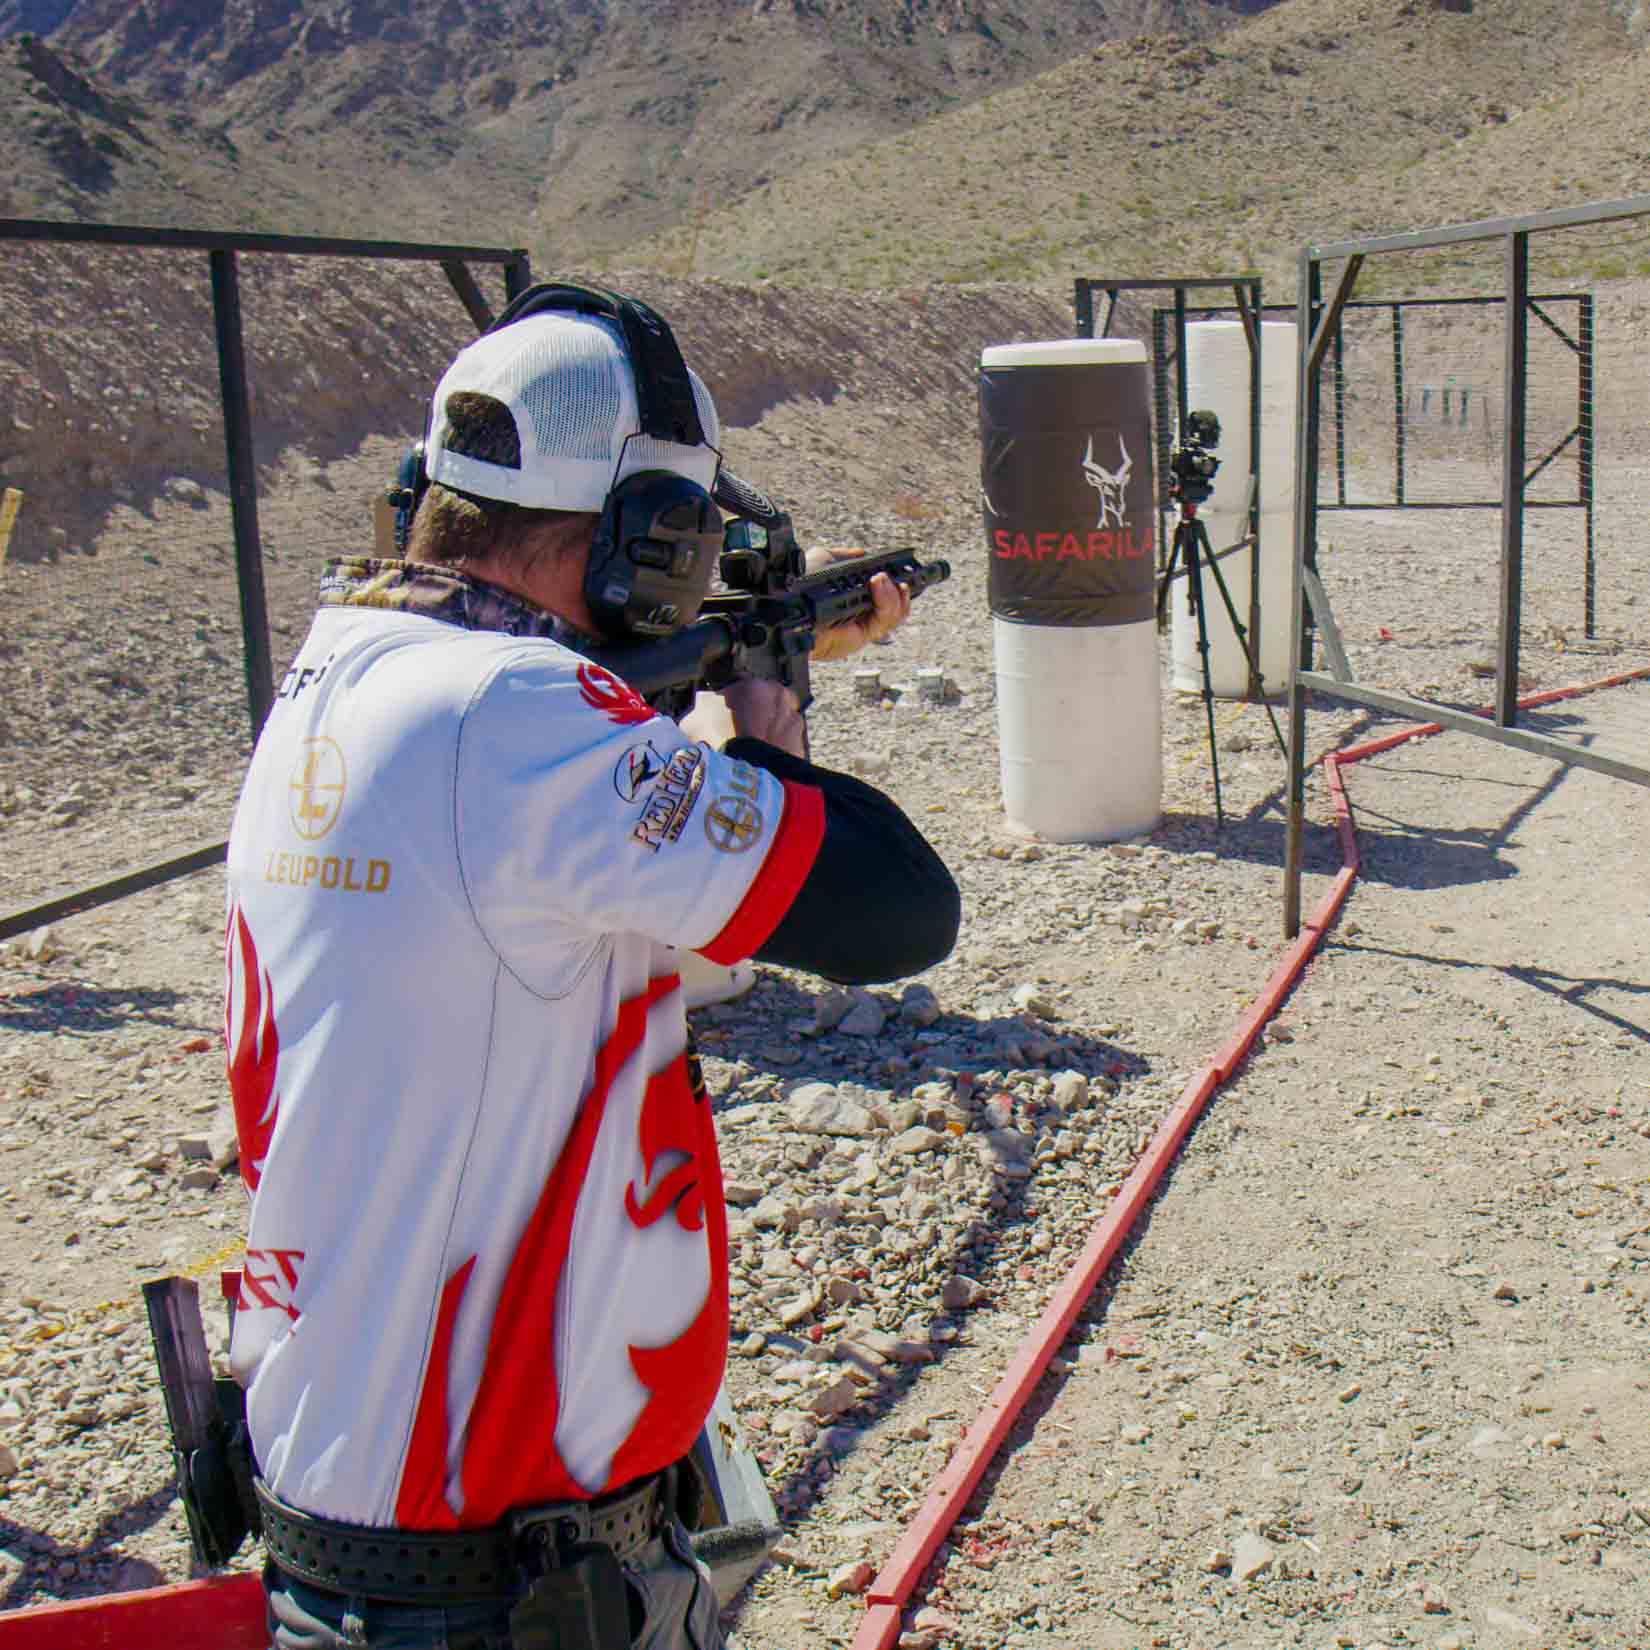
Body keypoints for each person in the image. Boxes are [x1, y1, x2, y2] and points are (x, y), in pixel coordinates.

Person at [223, 283, 959, 1650]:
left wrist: (709, 699)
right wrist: (766, 714)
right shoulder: (509, 715)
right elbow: (894, 906)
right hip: (483, 1582)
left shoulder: (350, 676)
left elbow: (658, 947)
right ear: (642, 544)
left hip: (408, 1544)